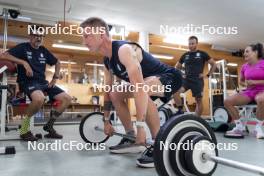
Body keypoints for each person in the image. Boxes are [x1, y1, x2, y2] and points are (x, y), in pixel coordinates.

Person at [80, 17, 182, 168]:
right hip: (147, 82)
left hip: (170, 78)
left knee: (142, 88)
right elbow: (108, 92)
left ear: (101, 34)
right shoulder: (108, 62)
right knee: (115, 92)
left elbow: (139, 87)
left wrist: (141, 126)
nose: (84, 41)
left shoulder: (124, 50)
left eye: (87, 36)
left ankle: (158, 144)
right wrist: (106, 121)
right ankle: (130, 135)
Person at [0, 27, 72, 141]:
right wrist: (23, 62)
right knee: (39, 99)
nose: (38, 38)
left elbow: (57, 62)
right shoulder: (23, 47)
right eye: (35, 36)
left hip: (43, 83)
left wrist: (55, 78)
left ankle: (49, 126)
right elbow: (4, 55)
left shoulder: (43, 50)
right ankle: (24, 129)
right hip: (27, 81)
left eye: (40, 36)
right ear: (30, 37)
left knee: (67, 98)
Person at [224, 43, 264, 139]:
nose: (244, 54)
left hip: (262, 90)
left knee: (261, 99)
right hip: (249, 91)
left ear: (255, 52)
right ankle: (239, 126)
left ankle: (258, 127)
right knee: (227, 101)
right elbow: (241, 81)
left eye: (247, 51)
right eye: (244, 52)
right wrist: (245, 84)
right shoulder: (244, 66)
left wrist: (255, 82)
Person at [173, 36, 216, 116]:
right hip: (186, 80)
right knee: (175, 92)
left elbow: (214, 64)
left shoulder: (202, 54)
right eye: (189, 44)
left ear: (196, 44)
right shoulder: (185, 55)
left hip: (197, 81)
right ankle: (180, 110)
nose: (191, 45)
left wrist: (207, 75)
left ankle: (197, 119)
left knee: (198, 100)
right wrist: (182, 74)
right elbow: (177, 67)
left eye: (192, 43)